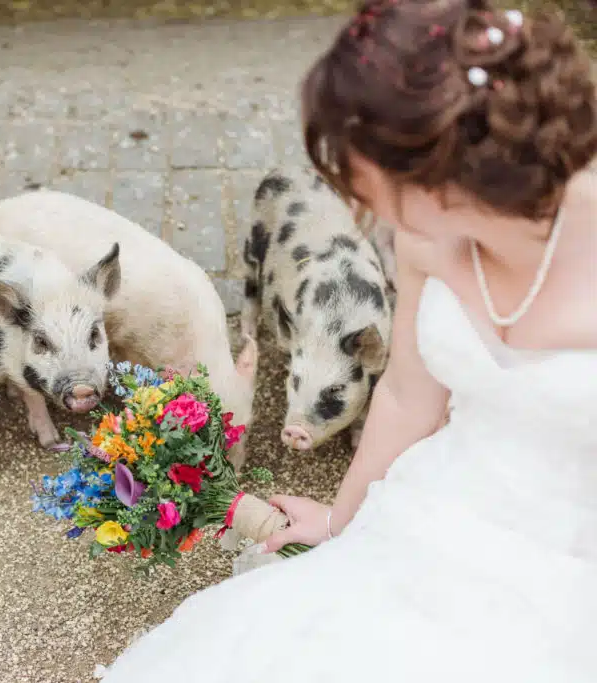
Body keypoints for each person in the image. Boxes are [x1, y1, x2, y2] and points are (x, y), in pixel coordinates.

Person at [98, 1, 597, 681]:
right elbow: (406, 397)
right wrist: (344, 519)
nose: (360, 204)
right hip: (441, 505)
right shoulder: (424, 239)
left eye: (366, 178)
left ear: (438, 167)